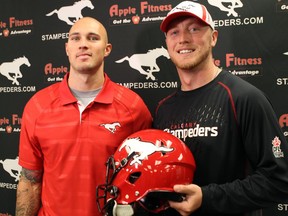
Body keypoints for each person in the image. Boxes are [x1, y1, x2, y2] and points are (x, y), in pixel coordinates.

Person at [153, 1, 288, 216]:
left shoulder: (244, 98)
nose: (183, 39)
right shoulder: (163, 109)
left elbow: (278, 180)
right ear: (167, 43)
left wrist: (207, 197)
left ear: (214, 37)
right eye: (174, 32)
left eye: (194, 29)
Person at [15, 17, 152, 216]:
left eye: (93, 38)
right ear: (67, 48)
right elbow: (30, 180)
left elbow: (142, 180)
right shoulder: (37, 106)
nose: (83, 45)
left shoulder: (133, 108)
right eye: (76, 38)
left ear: (107, 49)